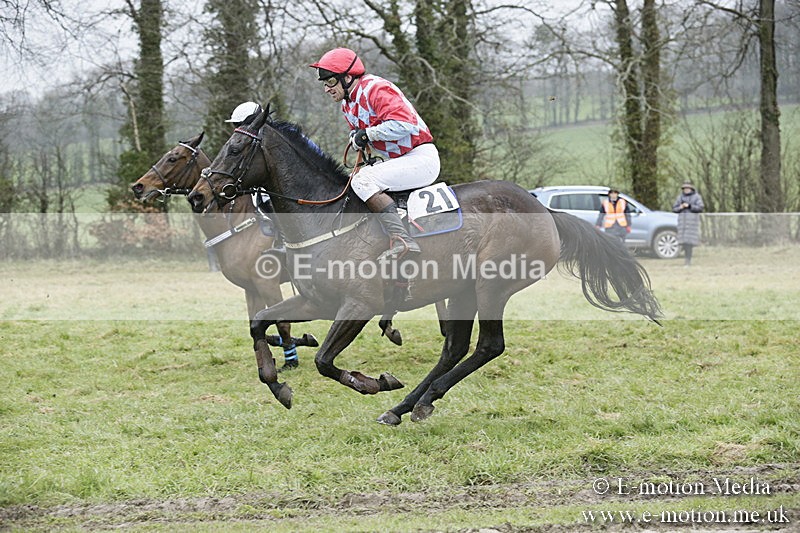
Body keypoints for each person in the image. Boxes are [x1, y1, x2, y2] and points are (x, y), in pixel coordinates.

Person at [310, 47, 440, 259]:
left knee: (362, 181)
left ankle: (403, 240)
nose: (326, 88)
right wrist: (359, 138)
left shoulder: (375, 88)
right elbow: (366, 134)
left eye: (331, 81)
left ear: (348, 77)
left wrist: (367, 134)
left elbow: (405, 124)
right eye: (324, 83)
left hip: (420, 158)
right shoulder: (347, 104)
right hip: (400, 160)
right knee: (351, 183)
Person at [672, 182, 704, 266]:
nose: (686, 190)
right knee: (684, 243)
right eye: (684, 189)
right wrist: (681, 207)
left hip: (692, 224)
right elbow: (674, 209)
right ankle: (686, 260)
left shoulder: (696, 197)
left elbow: (700, 208)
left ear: (691, 189)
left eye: (687, 188)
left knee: (690, 243)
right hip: (682, 224)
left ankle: (688, 260)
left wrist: (689, 206)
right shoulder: (680, 198)